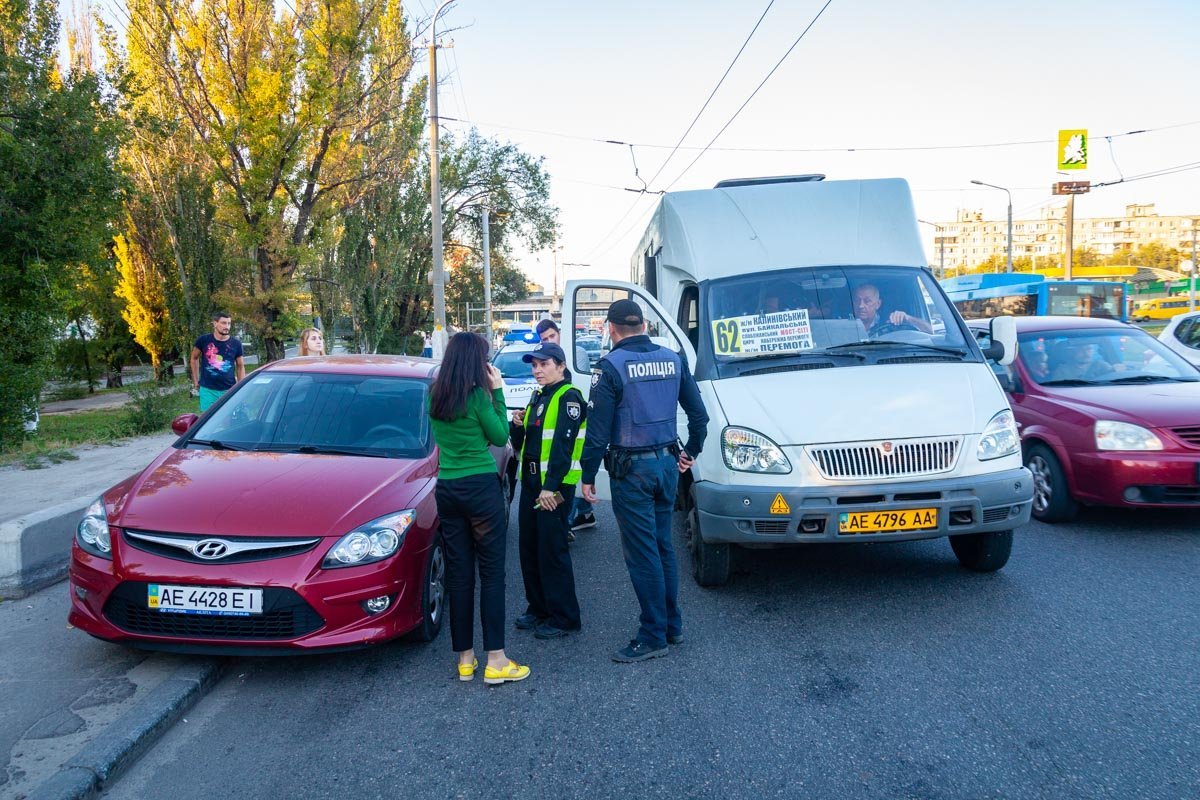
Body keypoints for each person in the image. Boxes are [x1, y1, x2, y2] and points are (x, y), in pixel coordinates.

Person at [580, 299, 709, 663]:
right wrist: (691, 453)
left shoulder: (609, 368)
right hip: (668, 466)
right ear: (643, 325)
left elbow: (597, 434)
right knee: (662, 547)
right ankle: (671, 626)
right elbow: (699, 417)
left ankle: (653, 635)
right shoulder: (673, 359)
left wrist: (588, 475)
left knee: (643, 554)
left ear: (611, 328)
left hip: (631, 472)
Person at [428, 332, 530, 685]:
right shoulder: (477, 398)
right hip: (481, 489)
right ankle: (497, 660)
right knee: (492, 575)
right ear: (477, 362)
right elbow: (501, 436)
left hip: (448, 488)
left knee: (459, 575)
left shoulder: (435, 396)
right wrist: (498, 391)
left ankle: (465, 660)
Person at [514, 342, 587, 640]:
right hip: (532, 483)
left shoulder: (569, 397)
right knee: (529, 548)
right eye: (534, 365)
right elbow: (526, 443)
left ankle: (564, 616)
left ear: (560, 365)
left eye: (543, 364)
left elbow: (562, 448)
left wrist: (550, 487)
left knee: (552, 551)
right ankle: (539, 607)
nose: (537, 370)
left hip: (553, 487)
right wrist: (517, 424)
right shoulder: (539, 395)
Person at [534, 317, 596, 536]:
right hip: (553, 467)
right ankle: (583, 513)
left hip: (578, 416)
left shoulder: (576, 353)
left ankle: (571, 521)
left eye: (552, 336)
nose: (550, 340)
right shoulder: (542, 361)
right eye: (545, 339)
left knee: (572, 468)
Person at [190, 311, 245, 412]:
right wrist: (195, 380)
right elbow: (194, 358)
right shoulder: (203, 340)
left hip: (229, 389)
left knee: (228, 420)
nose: (227, 326)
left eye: (229, 323)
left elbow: (240, 366)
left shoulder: (236, 343)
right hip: (208, 390)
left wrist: (241, 387)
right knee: (208, 421)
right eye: (224, 323)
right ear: (215, 324)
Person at [852, 283, 932, 335]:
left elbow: (930, 332)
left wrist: (907, 318)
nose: (860, 305)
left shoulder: (892, 322)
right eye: (857, 300)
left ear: (878, 304)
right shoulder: (843, 324)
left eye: (867, 301)